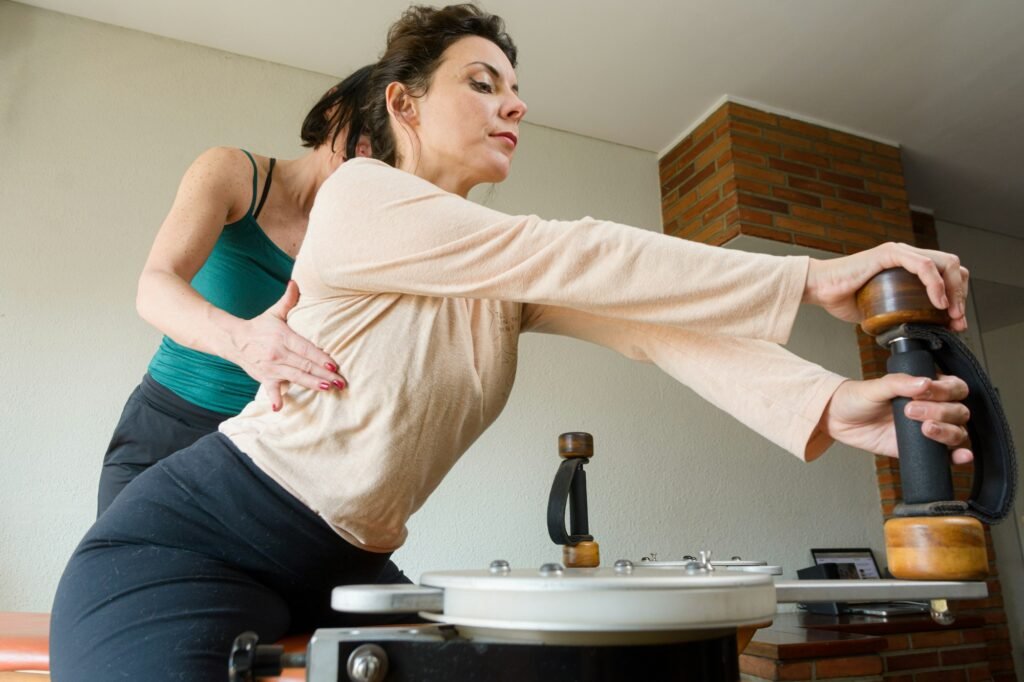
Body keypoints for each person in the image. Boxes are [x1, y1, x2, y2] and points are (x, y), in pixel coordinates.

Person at [51, 5, 972, 680]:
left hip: (343, 560)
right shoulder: (362, 197)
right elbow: (565, 249)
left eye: (518, 91)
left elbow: (654, 329)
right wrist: (813, 276)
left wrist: (826, 402)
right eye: (482, 83)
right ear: (402, 105)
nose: (514, 107)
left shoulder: (489, 271)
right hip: (187, 544)